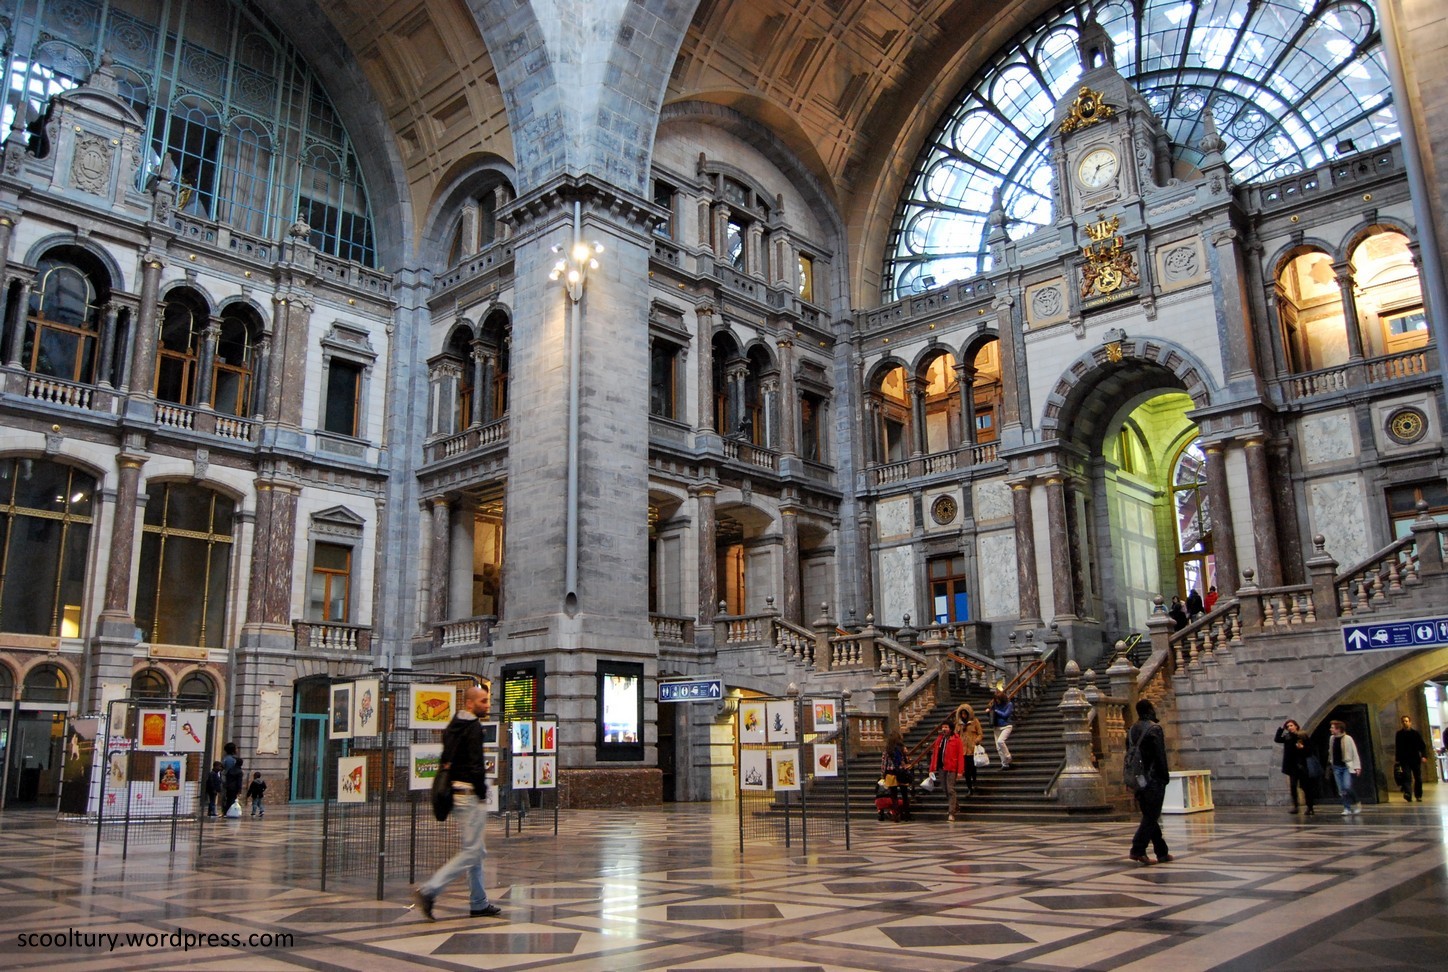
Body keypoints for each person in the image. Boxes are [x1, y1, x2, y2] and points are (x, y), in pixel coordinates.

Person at [414, 683, 502, 920]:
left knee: (476, 850)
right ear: (470, 704)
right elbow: (476, 765)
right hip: (469, 795)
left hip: (456, 793)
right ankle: (430, 890)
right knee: (472, 851)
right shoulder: (473, 728)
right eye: (483, 701)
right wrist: (482, 792)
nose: (487, 705)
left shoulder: (453, 725)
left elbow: (446, 759)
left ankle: (479, 902)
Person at [1127, 699, 1172, 865]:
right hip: (1153, 779)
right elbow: (1160, 755)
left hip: (1137, 778)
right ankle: (1137, 849)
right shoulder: (1154, 729)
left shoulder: (1132, 729)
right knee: (1151, 816)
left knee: (1150, 815)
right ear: (1150, 710)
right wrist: (1164, 777)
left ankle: (1162, 852)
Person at [1273, 719, 1315, 815]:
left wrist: (1302, 748)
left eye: (1291, 725)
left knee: (1305, 787)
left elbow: (1309, 751)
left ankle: (1310, 807)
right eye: (1288, 726)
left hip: (1301, 765)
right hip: (1291, 766)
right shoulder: (1287, 737)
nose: (1289, 728)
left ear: (1296, 726)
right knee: (1293, 786)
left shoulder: (1302, 735)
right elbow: (1277, 739)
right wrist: (1281, 729)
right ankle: (1295, 806)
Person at [928, 720, 965, 821]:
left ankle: (951, 812)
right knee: (945, 789)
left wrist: (960, 771)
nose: (944, 729)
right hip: (941, 767)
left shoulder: (956, 740)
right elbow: (935, 754)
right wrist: (932, 768)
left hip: (951, 768)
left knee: (950, 789)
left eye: (946, 727)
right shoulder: (940, 739)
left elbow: (960, 756)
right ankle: (955, 805)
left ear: (950, 729)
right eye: (943, 727)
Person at [1328, 719, 1362, 815]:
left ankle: (1356, 801)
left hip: (1346, 766)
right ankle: (1347, 808)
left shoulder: (1348, 738)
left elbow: (1354, 752)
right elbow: (1330, 751)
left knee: (1347, 787)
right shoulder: (1332, 739)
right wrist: (1331, 762)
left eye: (1332, 728)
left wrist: (1357, 766)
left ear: (1338, 729)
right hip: (1336, 767)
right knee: (1341, 789)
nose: (1331, 729)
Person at [1394, 715, 1428, 802]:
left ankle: (1418, 795)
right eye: (1403, 721)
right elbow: (1398, 747)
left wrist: (1424, 756)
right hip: (1404, 759)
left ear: (1410, 722)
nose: (1405, 723)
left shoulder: (1415, 733)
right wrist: (1397, 759)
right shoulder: (1399, 734)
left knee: (1418, 777)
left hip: (1415, 759)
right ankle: (1408, 793)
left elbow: (1422, 746)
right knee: (1406, 776)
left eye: (1406, 721)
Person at [880, 730, 911, 821]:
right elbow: (907, 760)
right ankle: (907, 814)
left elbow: (884, 763)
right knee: (904, 795)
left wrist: (883, 774)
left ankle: (896, 815)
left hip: (891, 773)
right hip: (902, 773)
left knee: (894, 796)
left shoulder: (887, 750)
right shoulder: (902, 748)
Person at [956, 702, 985, 795]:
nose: (964, 715)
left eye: (965, 714)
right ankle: (969, 787)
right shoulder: (959, 724)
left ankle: (974, 782)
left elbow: (980, 733)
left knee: (973, 768)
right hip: (963, 751)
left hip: (972, 750)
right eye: (962, 714)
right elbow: (956, 735)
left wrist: (977, 740)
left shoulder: (975, 722)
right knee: (966, 770)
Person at [986, 689, 1014, 769]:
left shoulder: (1009, 704)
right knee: (998, 747)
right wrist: (989, 712)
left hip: (1006, 726)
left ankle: (1008, 757)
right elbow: (992, 716)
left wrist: (996, 711)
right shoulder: (994, 705)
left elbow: (1005, 715)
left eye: (998, 699)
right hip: (996, 726)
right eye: (996, 699)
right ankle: (1004, 764)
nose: (997, 701)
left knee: (1000, 741)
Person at [221, 742, 245, 815]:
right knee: (231, 798)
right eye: (236, 748)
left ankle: (225, 811)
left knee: (226, 798)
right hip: (231, 782)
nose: (237, 749)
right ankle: (229, 812)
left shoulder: (225, 758)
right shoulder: (233, 760)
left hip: (225, 781)